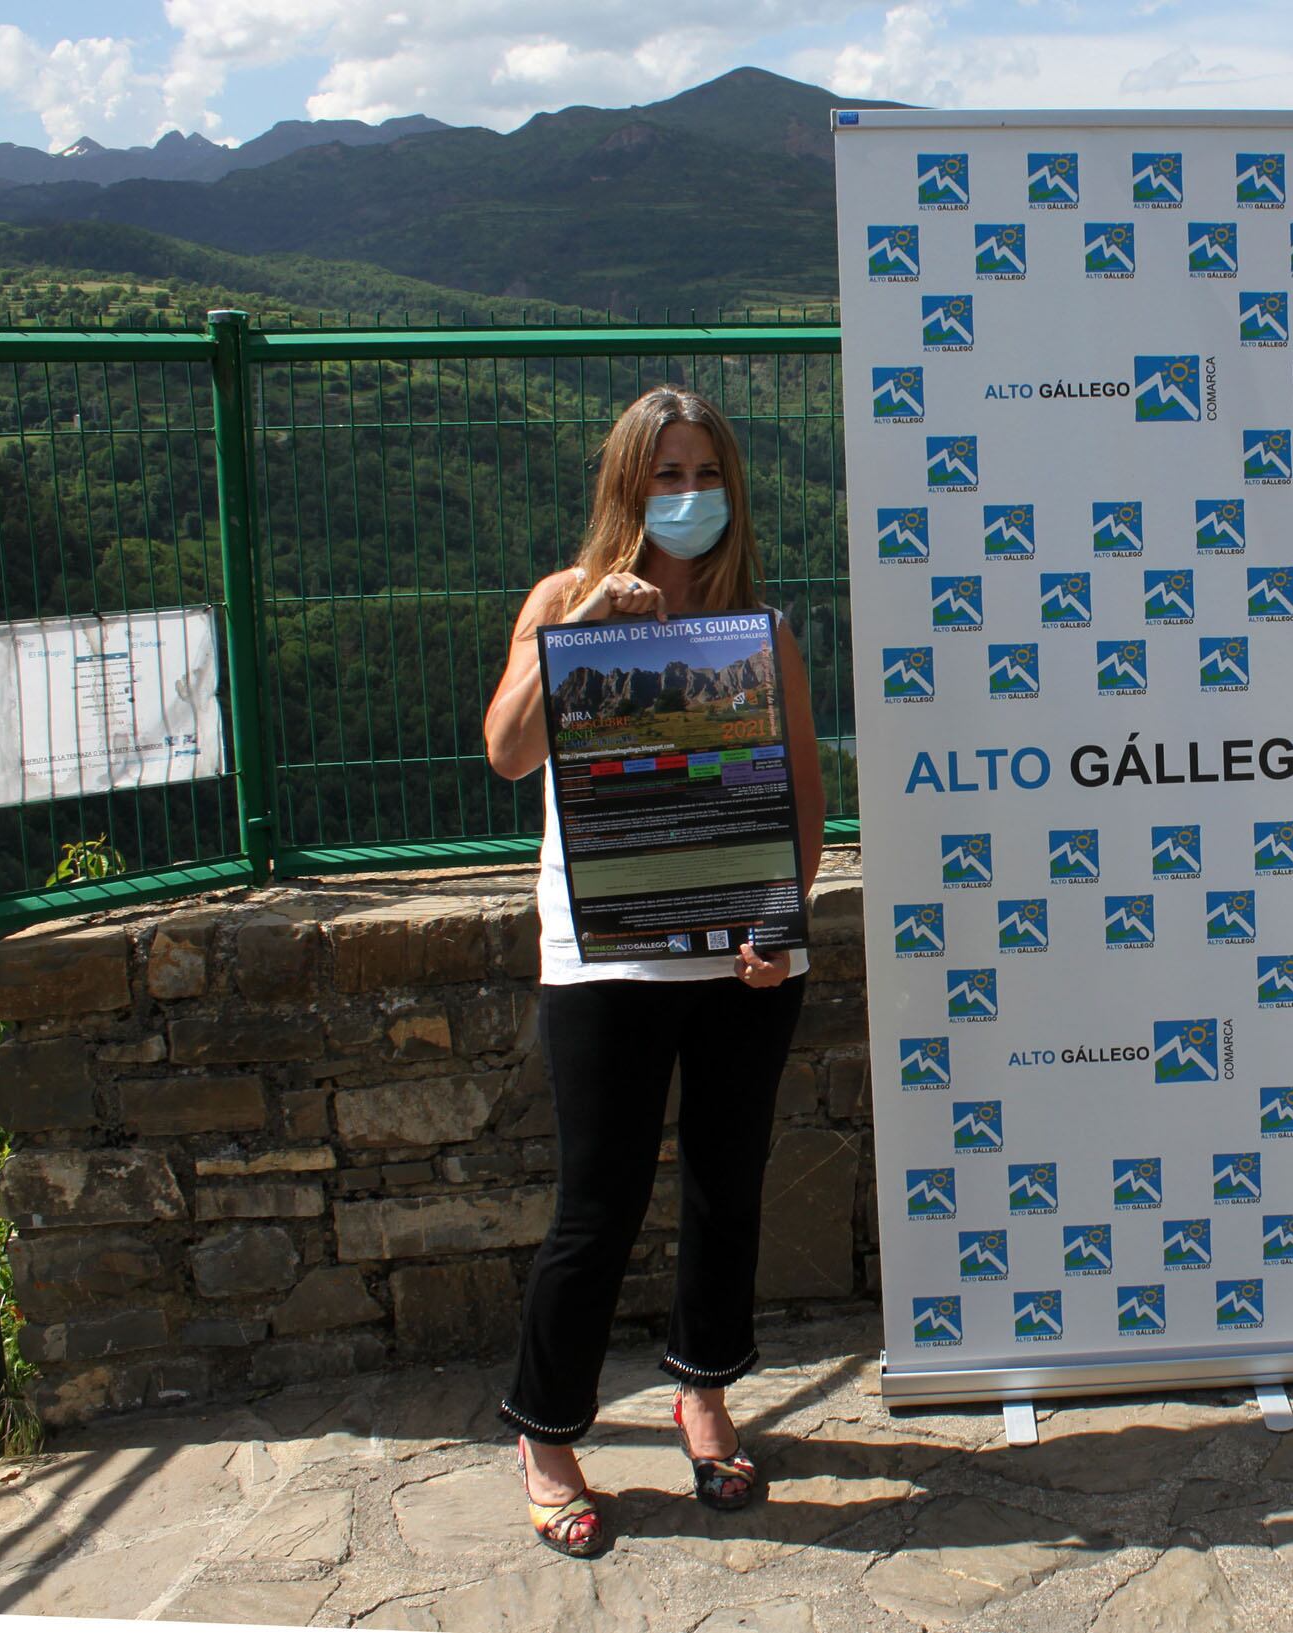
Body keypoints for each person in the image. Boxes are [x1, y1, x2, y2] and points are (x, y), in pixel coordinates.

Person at [482, 385, 825, 1554]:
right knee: (599, 1203)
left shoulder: (760, 631)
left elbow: (802, 795)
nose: (688, 496)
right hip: (602, 961)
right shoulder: (560, 601)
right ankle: (545, 1435)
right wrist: (580, 630)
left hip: (740, 960)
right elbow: (507, 752)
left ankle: (704, 1394)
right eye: (665, 475)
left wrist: (777, 925)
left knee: (728, 1188)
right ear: (626, 488)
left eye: (706, 474)